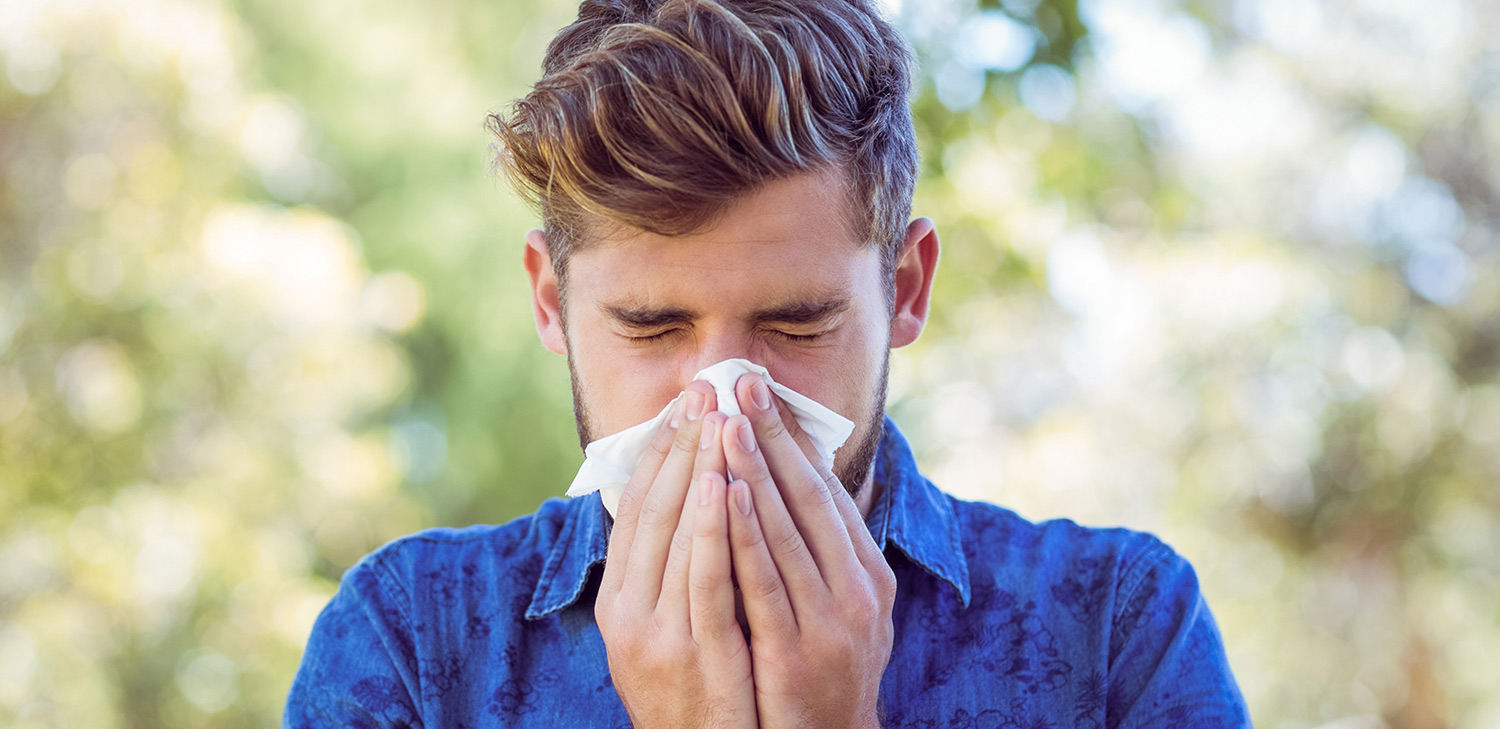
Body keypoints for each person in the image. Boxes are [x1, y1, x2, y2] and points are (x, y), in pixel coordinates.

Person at [284, 0, 1252, 726]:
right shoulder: (414, 641)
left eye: (796, 324)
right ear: (551, 302)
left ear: (906, 289)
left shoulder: (1115, 631)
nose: (727, 403)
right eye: (652, 327)